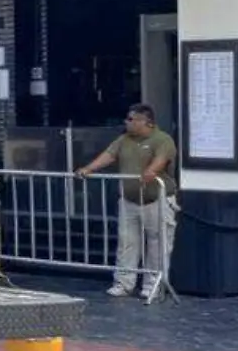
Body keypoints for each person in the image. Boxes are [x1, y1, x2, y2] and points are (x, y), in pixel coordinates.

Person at [76, 102, 178, 303]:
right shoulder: (124, 139)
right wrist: (89, 169)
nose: (126, 122)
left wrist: (151, 171)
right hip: (130, 199)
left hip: (156, 199)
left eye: (131, 119)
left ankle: (153, 286)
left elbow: (162, 158)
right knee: (126, 242)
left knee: (157, 245)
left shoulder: (162, 139)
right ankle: (124, 283)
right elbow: (109, 155)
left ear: (145, 122)